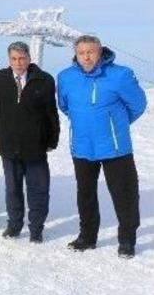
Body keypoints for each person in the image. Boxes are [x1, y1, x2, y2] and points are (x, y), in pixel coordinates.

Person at [58, 35, 147, 258]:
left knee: (124, 194)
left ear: (100, 52)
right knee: (85, 194)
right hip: (82, 145)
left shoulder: (120, 75)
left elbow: (138, 105)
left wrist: (115, 125)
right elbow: (65, 106)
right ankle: (87, 237)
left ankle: (127, 240)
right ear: (76, 55)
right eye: (81, 53)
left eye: (91, 52)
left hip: (115, 147)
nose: (86, 57)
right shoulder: (66, 77)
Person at [0, 41, 59, 243]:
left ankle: (36, 228)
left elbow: (51, 113)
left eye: (22, 58)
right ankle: (14, 225)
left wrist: (52, 139)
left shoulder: (44, 80)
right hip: (8, 145)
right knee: (13, 189)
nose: (18, 63)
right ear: (9, 60)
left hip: (35, 146)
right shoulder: (0, 79)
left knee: (38, 190)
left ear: (29, 58)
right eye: (14, 59)